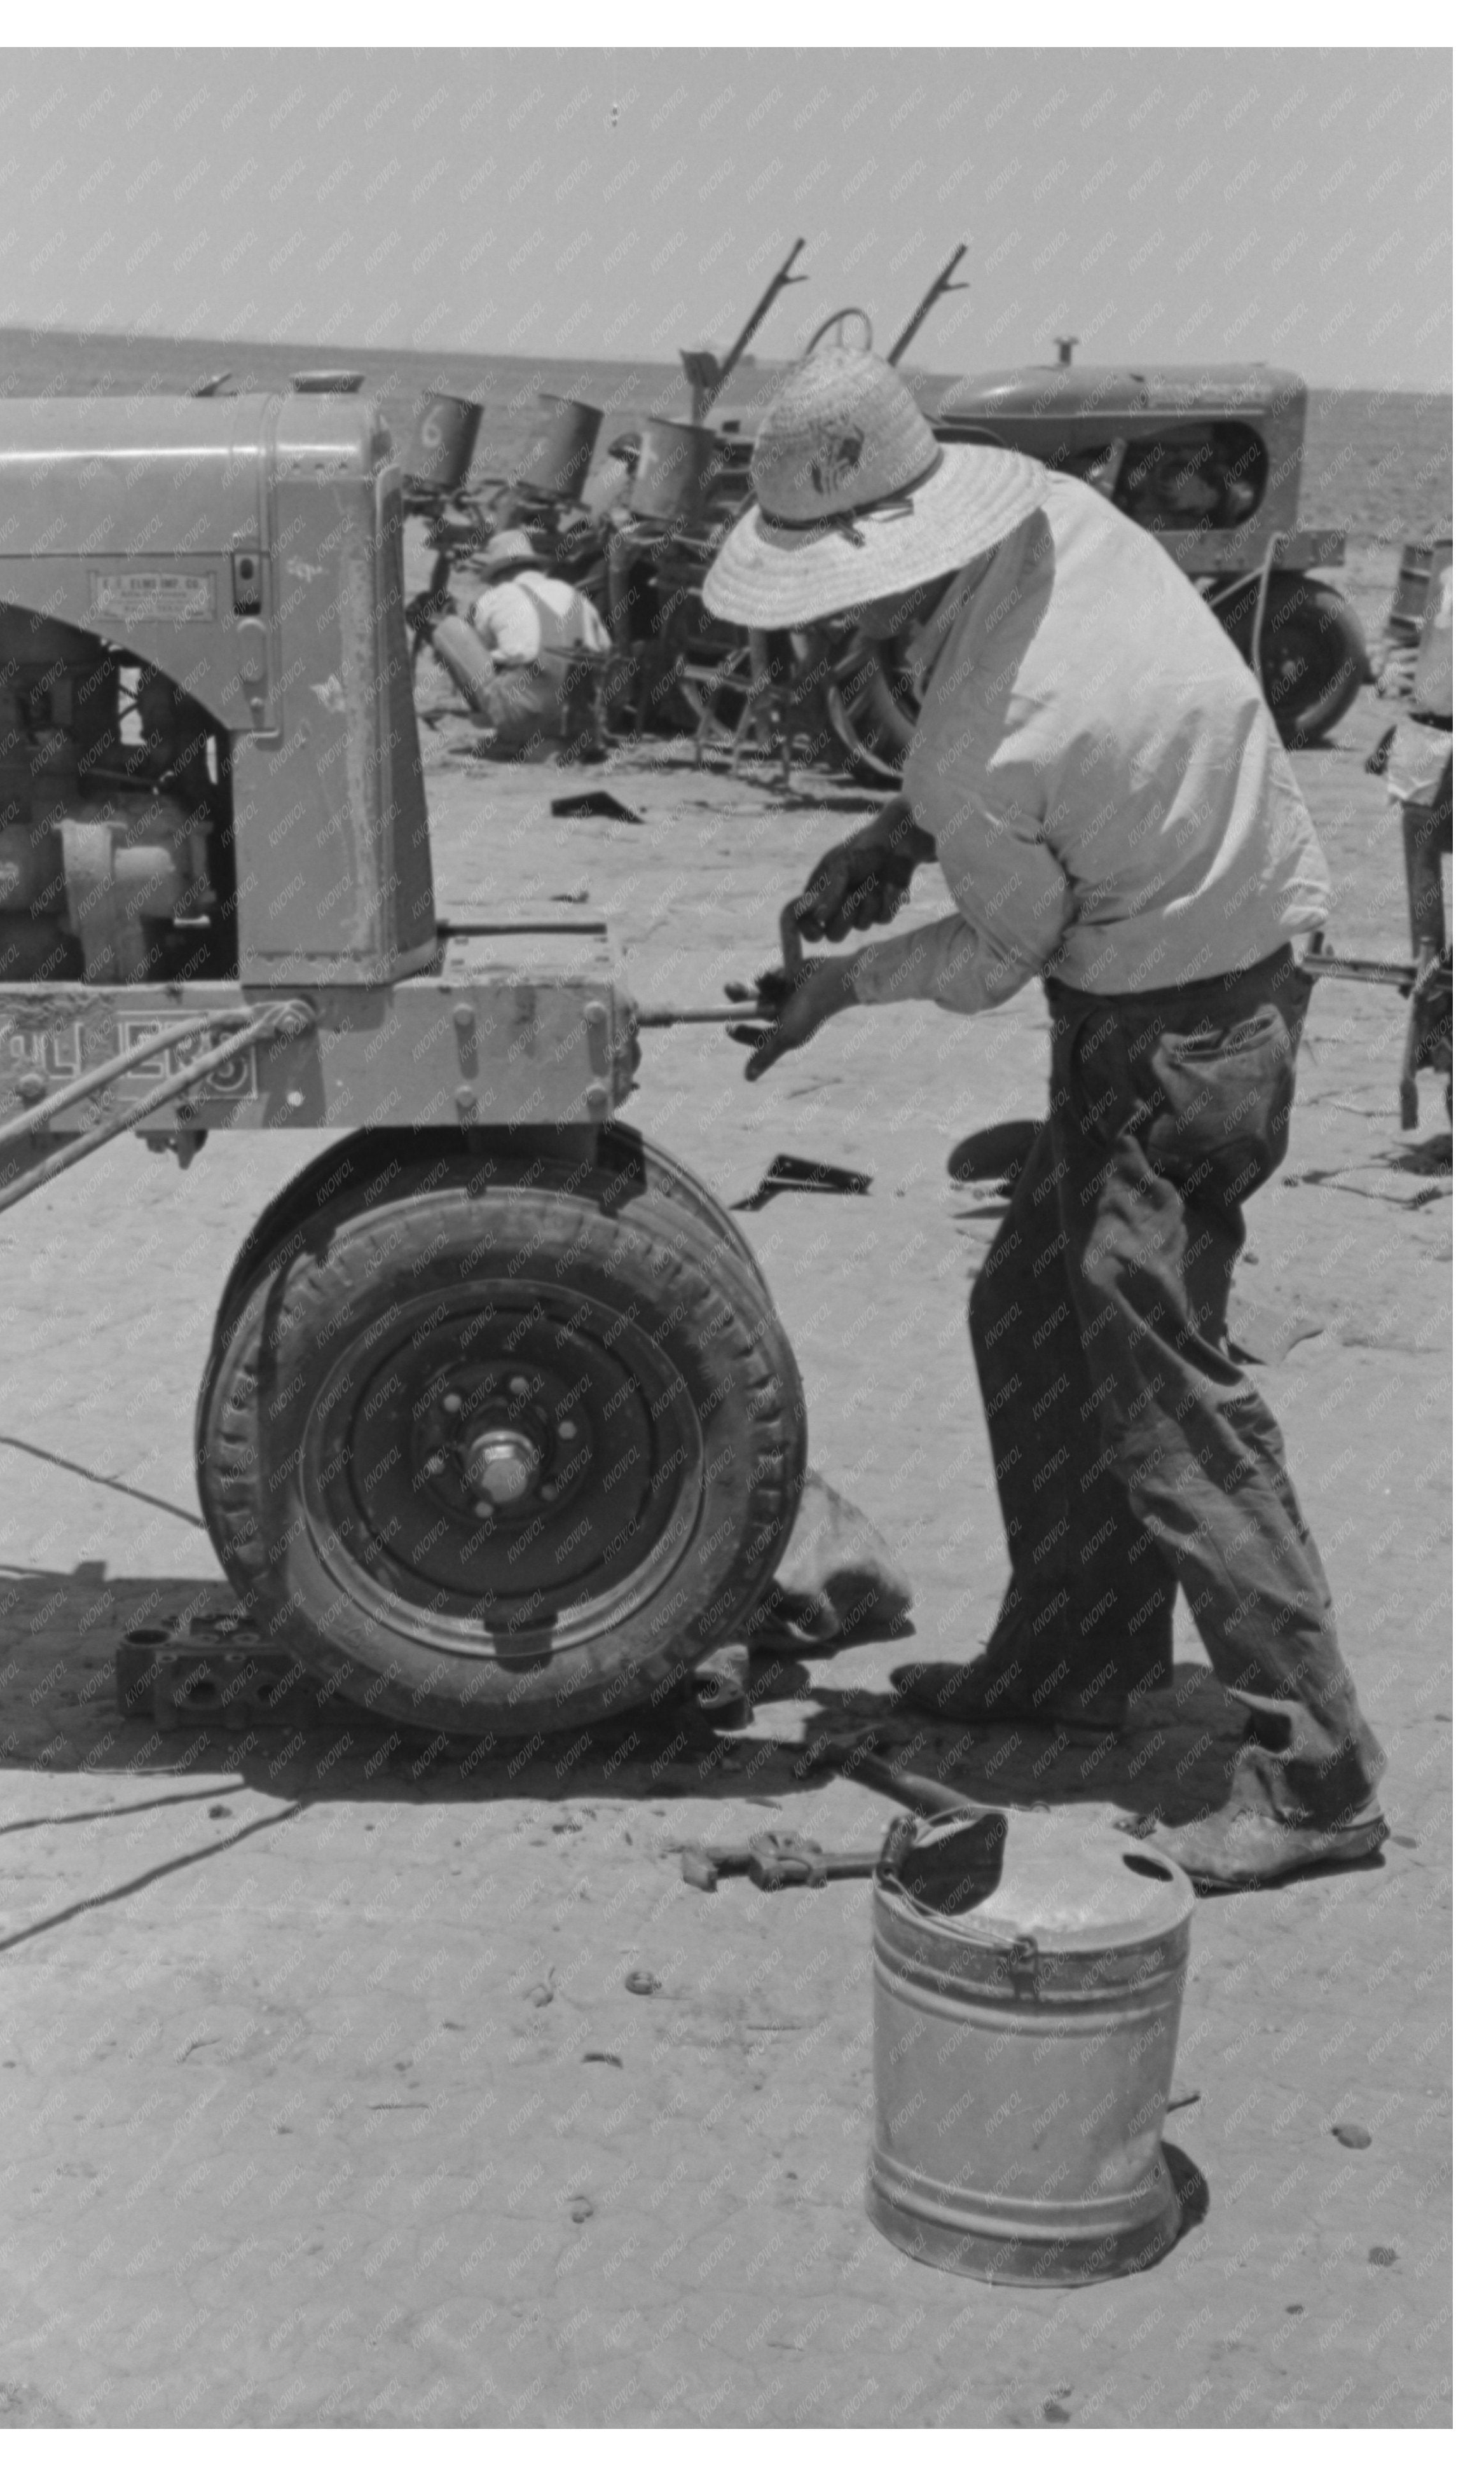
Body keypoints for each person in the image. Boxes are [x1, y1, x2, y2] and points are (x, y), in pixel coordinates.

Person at [702, 348, 1387, 1890]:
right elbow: (1018, 744)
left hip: (1182, 1019)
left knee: (1162, 1393)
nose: (824, 623)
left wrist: (836, 987)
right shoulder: (1056, 523)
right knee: (1028, 1307)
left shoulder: (987, 744)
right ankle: (1075, 1660)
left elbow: (993, 953)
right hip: (1217, 928)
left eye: (829, 594)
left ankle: (1317, 1775)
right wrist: (899, 830)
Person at [432, 530, 610, 756]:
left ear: (500, 575)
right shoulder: (574, 594)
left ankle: (501, 728)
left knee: (449, 629)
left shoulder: (500, 595)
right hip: (580, 719)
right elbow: (606, 649)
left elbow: (481, 652)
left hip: (525, 714)